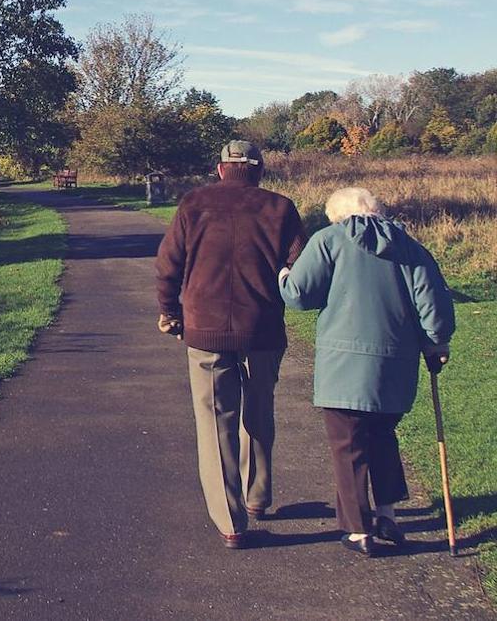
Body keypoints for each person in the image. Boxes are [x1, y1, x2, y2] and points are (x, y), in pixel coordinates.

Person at [279, 187, 454, 556]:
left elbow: (298, 295)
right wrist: (437, 343)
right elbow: (433, 307)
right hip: (396, 365)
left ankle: (359, 530)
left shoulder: (329, 240)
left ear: (337, 216)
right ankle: (387, 514)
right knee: (382, 436)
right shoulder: (410, 247)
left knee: (348, 445)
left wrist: (283, 275)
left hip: (343, 366)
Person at [156, 140, 305, 549]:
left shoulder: (194, 203)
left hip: (205, 329)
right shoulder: (281, 208)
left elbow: (168, 263)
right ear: (259, 170)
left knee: (215, 422)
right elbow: (299, 267)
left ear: (220, 168)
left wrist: (169, 311)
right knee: (259, 412)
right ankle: (257, 496)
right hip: (263, 329)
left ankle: (231, 522)